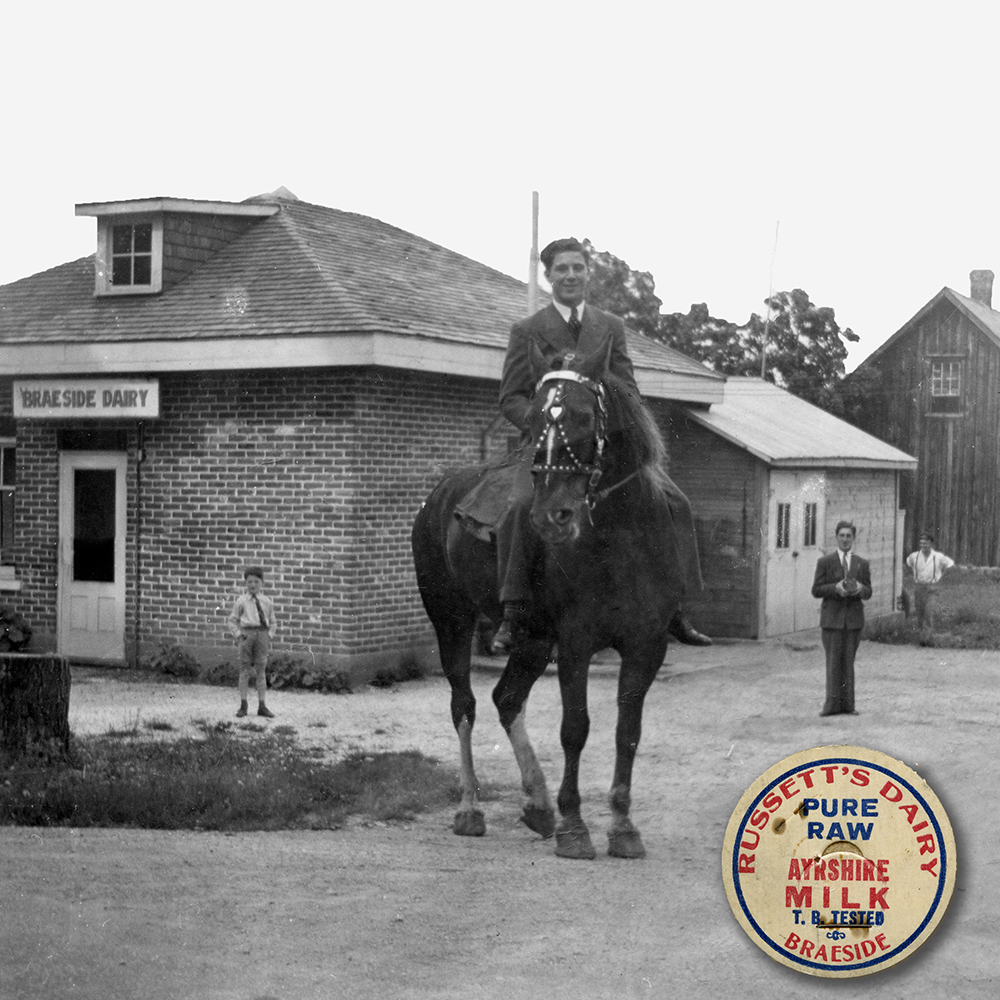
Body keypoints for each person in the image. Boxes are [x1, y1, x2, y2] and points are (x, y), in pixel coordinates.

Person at [489, 236, 711, 653]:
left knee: (675, 502)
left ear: (588, 273)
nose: (570, 275)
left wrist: (605, 421)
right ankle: (513, 610)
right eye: (561, 269)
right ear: (548, 275)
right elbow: (511, 397)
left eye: (577, 267)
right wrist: (541, 422)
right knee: (520, 506)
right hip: (548, 447)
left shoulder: (610, 327)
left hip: (601, 445)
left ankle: (677, 607)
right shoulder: (527, 331)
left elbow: (627, 387)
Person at [811, 521, 872, 717]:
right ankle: (831, 706)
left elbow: (869, 591)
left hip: (853, 621)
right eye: (842, 536)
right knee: (833, 662)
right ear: (836, 537)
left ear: (853, 539)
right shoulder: (825, 562)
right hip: (832, 620)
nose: (845, 539)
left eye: (849, 536)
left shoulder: (861, 563)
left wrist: (862, 589)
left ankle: (848, 706)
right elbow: (816, 590)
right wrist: (835, 588)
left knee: (848, 662)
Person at [227, 566, 276, 718]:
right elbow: (232, 621)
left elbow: (273, 622)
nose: (253, 585)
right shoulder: (241, 601)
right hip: (246, 636)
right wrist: (238, 635)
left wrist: (269, 635)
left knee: (261, 670)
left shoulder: (267, 602)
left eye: (256, 581)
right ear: (245, 583)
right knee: (244, 670)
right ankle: (243, 705)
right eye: (249, 582)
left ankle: (262, 706)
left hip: (262, 635)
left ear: (262, 583)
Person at [905, 531, 955, 644]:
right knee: (920, 614)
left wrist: (940, 578)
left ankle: (925, 640)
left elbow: (950, 565)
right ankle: (927, 639)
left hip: (932, 588)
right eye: (921, 543)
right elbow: (907, 564)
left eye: (925, 543)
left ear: (930, 544)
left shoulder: (938, 557)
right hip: (919, 587)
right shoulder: (915, 556)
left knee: (928, 612)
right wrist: (914, 576)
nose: (923, 546)